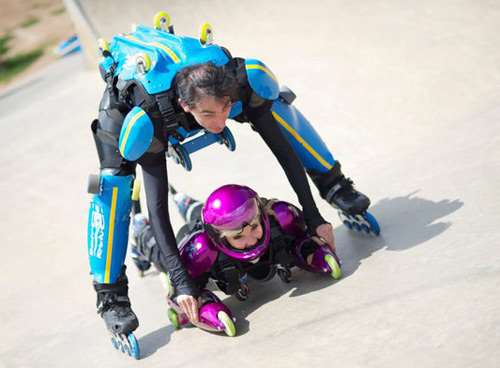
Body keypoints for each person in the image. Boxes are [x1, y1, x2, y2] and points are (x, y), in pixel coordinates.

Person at [86, 14, 373, 344]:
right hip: (130, 109)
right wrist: (181, 282)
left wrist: (314, 217)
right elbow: (157, 206)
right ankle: (110, 296)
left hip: (204, 91)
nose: (221, 122)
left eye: (226, 110)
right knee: (113, 184)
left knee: (277, 102)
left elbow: (285, 154)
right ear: (184, 105)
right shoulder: (148, 120)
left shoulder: (241, 83)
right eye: (209, 115)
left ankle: (335, 184)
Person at [131, 184, 342, 335]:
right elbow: (181, 290)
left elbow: (302, 235)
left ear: (261, 215)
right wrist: (192, 299)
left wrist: (310, 249)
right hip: (190, 242)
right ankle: (140, 232)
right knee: (165, 257)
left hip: (218, 226)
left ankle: (184, 201)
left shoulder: (280, 215)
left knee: (205, 213)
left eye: (254, 228)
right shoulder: (201, 249)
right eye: (239, 237)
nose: (250, 239)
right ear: (218, 238)